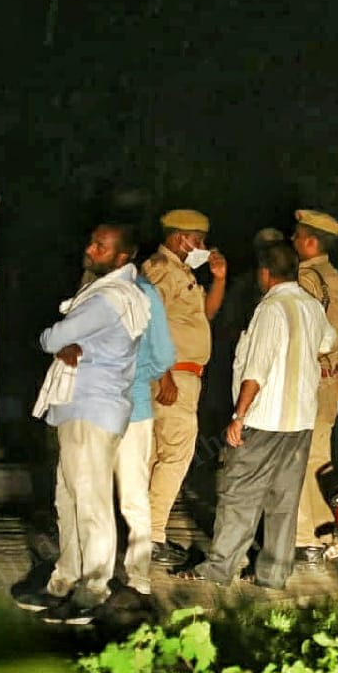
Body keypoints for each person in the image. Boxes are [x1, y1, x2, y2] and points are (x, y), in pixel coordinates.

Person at [176, 243, 336, 589]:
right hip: (300, 421)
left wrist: (238, 416)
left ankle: (219, 568)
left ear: (265, 273)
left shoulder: (271, 309)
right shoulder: (310, 306)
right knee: (284, 500)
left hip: (264, 419)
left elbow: (256, 371)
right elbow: (328, 342)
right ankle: (273, 573)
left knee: (238, 494)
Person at [21, 224, 150, 624]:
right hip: (88, 407)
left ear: (122, 257)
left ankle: (93, 589)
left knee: (89, 501)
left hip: (92, 407)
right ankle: (66, 579)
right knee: (71, 497)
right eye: (91, 240)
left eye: (101, 246)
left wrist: (60, 341)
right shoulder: (120, 293)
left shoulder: (108, 299)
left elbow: (49, 338)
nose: (90, 248)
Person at [142, 209, 227, 566]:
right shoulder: (161, 269)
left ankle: (141, 533)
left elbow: (202, 315)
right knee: (174, 454)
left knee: (155, 455)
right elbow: (146, 320)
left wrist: (219, 279)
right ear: (181, 239)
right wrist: (163, 374)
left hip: (178, 374)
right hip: (171, 375)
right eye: (199, 241)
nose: (203, 247)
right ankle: (152, 535)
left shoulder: (181, 271)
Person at [291, 209, 338, 568]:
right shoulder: (333, 276)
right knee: (318, 459)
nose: (293, 241)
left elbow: (303, 330)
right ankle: (324, 531)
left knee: (298, 459)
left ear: (310, 241)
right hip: (328, 379)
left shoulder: (307, 277)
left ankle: (303, 538)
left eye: (297, 236)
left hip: (307, 377)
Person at [113, 259, 175, 603]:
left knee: (91, 494)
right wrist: (139, 374)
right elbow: (163, 354)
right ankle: (138, 577)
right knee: (133, 496)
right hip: (131, 406)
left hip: (102, 406)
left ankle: (92, 573)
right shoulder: (144, 291)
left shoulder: (99, 290)